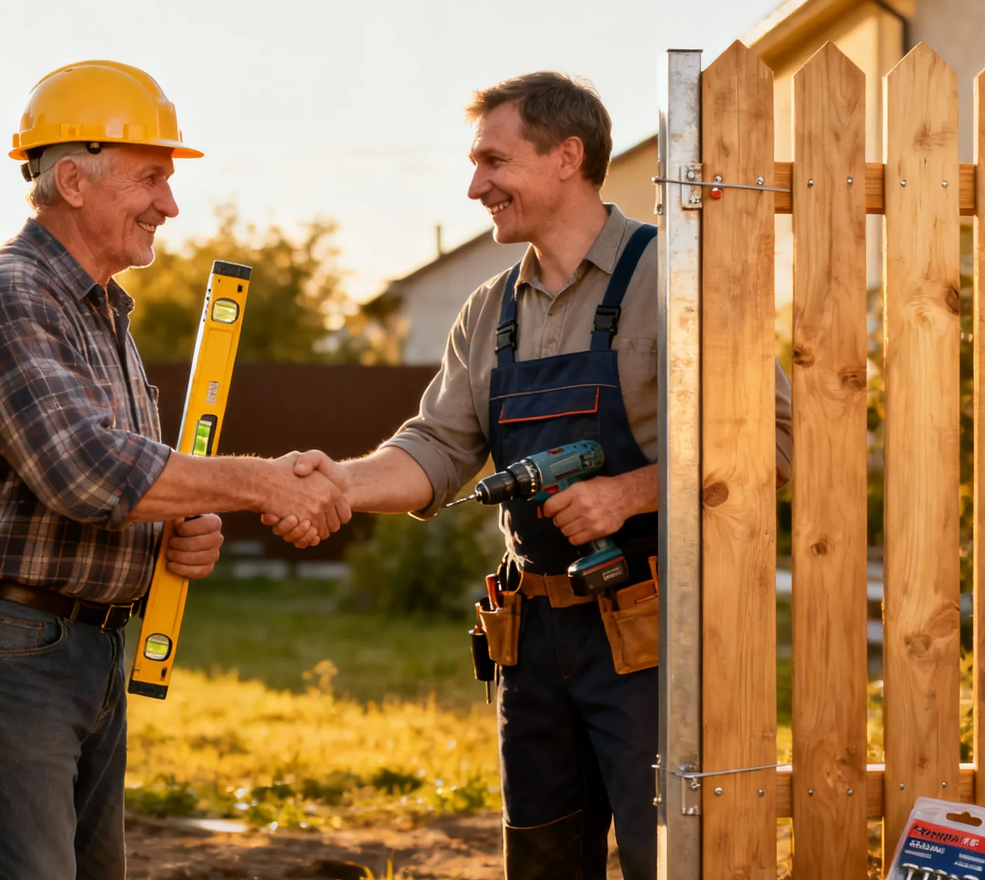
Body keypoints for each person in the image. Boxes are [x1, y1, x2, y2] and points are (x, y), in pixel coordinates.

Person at [265, 72, 792, 879]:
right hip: (534, 639)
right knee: (542, 859)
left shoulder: (677, 281)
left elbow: (777, 442)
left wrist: (633, 492)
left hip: (657, 630)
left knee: (675, 858)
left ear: (566, 157)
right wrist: (336, 481)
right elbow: (436, 449)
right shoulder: (489, 311)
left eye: (492, 162)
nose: (475, 186)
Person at [0, 60, 349, 880]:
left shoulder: (103, 310)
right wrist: (260, 484)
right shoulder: (12, 293)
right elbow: (85, 472)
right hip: (21, 652)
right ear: (73, 180)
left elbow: (133, 481)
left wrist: (180, 528)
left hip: (90, 646)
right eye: (151, 178)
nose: (171, 205)